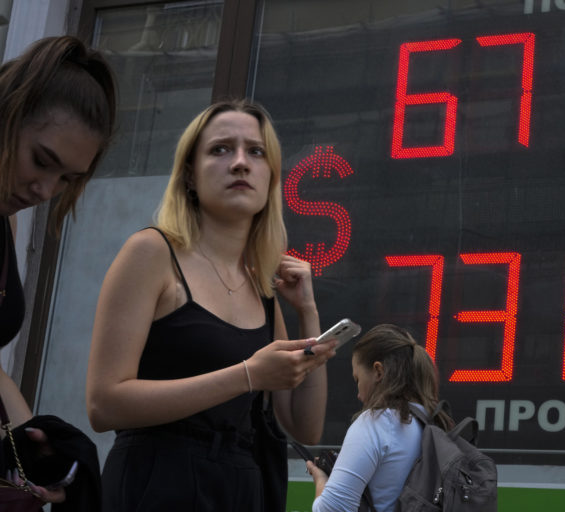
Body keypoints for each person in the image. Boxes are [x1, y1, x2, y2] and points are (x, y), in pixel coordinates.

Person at [86, 99, 336, 511]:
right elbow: (103, 404)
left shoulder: (261, 287)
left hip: (239, 488)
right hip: (157, 483)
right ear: (189, 174)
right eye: (220, 149)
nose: (240, 163)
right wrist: (246, 375)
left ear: (271, 177)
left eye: (256, 151)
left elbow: (305, 426)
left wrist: (308, 313)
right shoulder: (151, 253)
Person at [0, 35, 117, 507]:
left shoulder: (6, 223)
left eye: (67, 178)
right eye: (41, 161)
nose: (45, 190)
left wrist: (33, 446)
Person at [306, 324, 453, 512]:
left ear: (378, 372)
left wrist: (321, 480)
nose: (358, 395)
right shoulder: (436, 422)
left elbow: (332, 509)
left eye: (358, 379)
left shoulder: (376, 423)